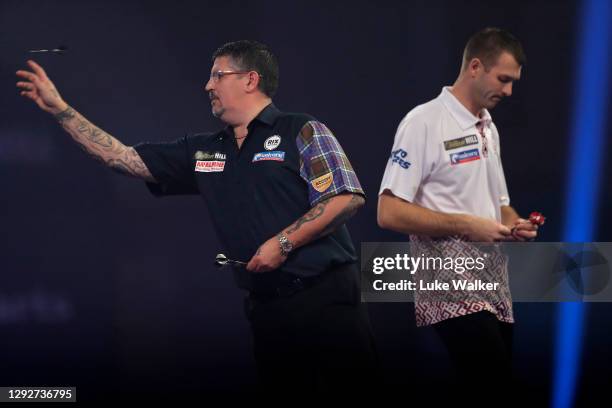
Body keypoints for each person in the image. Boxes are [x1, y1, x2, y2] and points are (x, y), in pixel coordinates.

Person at [17, 40, 378, 396]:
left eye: (218, 75)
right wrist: (60, 109)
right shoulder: (206, 150)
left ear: (250, 79)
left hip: (327, 298)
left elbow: (346, 197)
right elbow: (123, 159)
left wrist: (283, 244)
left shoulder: (301, 129)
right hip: (268, 309)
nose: (208, 85)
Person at [377, 28, 540, 403]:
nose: (510, 92)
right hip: (446, 282)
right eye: (503, 79)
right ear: (475, 66)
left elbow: (499, 203)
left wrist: (514, 223)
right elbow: (387, 211)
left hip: (492, 281)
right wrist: (468, 225)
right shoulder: (423, 122)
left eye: (513, 82)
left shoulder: (488, 126)